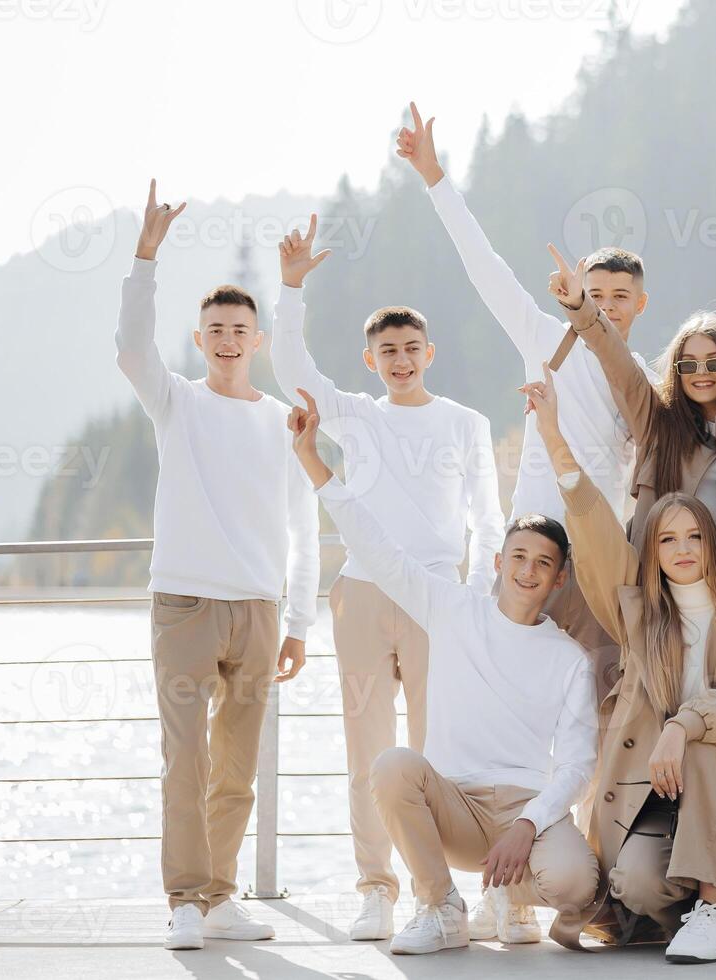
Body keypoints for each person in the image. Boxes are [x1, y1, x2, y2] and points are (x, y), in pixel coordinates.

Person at [287, 389, 600, 957]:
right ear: (499, 562)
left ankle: (510, 897)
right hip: (453, 803)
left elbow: (578, 763)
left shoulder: (569, 659)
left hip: (522, 812)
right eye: (519, 558)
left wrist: (529, 823)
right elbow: (375, 546)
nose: (528, 571)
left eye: (544, 564)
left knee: (577, 882)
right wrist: (314, 462)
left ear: (558, 580)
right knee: (392, 766)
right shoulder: (451, 607)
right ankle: (441, 906)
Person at [269, 216, 504, 941]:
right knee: (367, 745)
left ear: (429, 353)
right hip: (365, 594)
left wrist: (482, 592)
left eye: (411, 349)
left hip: (440, 597)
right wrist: (290, 287)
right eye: (387, 351)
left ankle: (456, 891)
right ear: (370, 361)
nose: (401, 360)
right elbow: (289, 369)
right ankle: (377, 886)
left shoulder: (465, 423)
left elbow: (488, 518)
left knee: (444, 751)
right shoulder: (355, 416)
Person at [522, 363, 716, 963]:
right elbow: (590, 529)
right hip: (651, 788)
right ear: (654, 553)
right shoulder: (639, 614)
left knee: (708, 745)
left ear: (711, 543)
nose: (683, 550)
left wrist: (682, 725)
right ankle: (684, 916)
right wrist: (554, 436)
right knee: (637, 883)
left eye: (693, 536)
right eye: (667, 539)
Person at [114, 180, 320, 951]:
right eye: (215, 330)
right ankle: (184, 903)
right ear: (200, 340)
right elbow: (131, 348)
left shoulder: (280, 422)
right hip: (186, 607)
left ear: (256, 339)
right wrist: (145, 258)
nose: (229, 339)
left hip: (259, 613)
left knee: (238, 768)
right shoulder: (176, 404)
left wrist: (299, 620)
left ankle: (222, 895)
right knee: (185, 762)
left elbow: (304, 522)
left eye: (240, 328)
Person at [395, 101, 658, 702]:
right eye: (595, 293)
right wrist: (435, 178)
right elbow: (483, 267)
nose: (607, 305)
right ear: (574, 294)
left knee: (598, 696)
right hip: (530, 550)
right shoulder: (543, 338)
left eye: (621, 296)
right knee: (506, 695)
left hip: (598, 560)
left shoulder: (644, 377)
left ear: (640, 305)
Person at [546, 244, 716, 555]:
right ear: (675, 371)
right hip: (660, 580)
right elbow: (615, 357)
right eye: (688, 364)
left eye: (715, 363)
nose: (701, 373)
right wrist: (581, 306)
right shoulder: (657, 422)